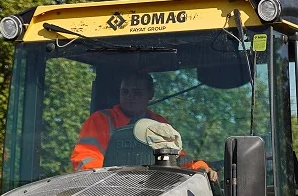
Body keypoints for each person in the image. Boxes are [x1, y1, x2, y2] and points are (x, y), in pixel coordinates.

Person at [70, 71, 216, 180]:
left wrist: (200, 168)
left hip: (150, 194)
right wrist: (114, 179)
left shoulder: (160, 124)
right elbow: (86, 159)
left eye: (137, 92)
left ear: (150, 94)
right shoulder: (100, 120)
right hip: (107, 192)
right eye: (125, 91)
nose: (130, 96)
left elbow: (177, 159)